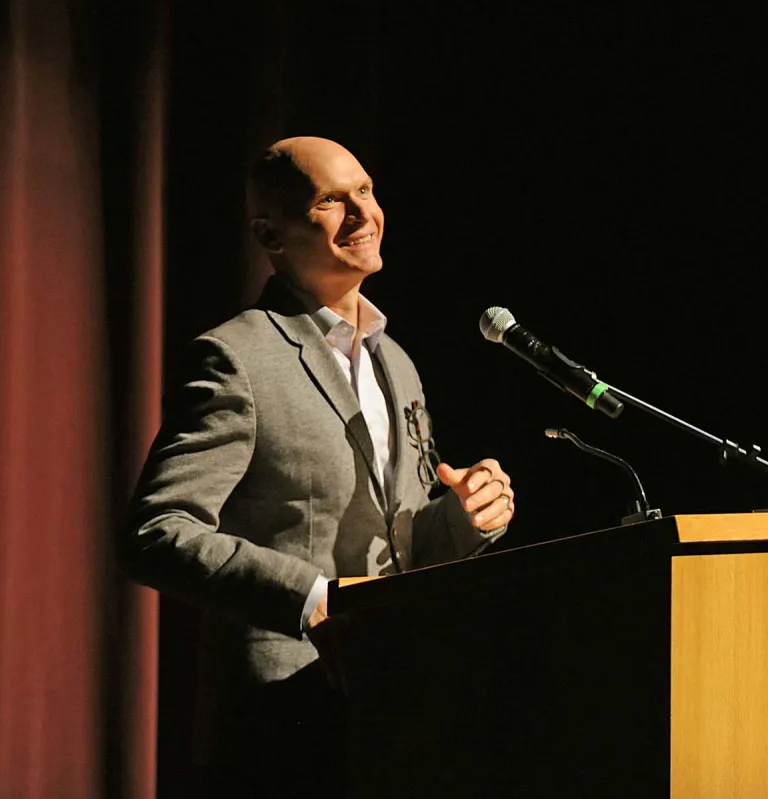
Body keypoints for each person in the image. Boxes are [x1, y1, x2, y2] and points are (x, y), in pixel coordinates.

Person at [121, 136, 515, 794]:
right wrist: (314, 601)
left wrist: (469, 517)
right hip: (284, 719)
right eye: (331, 200)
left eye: (364, 190)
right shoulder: (236, 357)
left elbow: (406, 547)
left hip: (400, 711)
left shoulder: (399, 364)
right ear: (269, 234)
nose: (362, 213)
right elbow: (156, 532)